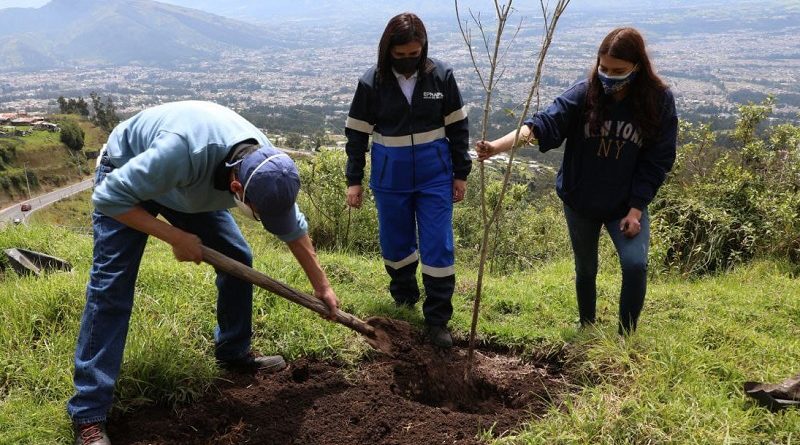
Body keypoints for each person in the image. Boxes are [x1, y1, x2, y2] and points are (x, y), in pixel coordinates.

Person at [69, 101, 340, 445]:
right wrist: (175, 236)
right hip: (127, 177)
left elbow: (295, 231)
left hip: (184, 187)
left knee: (237, 257)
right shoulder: (180, 152)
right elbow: (107, 198)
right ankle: (88, 414)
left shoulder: (268, 166)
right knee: (112, 288)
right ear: (237, 188)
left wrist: (323, 285)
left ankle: (233, 351)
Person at [477, 27, 677, 335]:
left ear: (638, 66)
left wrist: (637, 208)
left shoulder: (658, 101)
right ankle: (587, 328)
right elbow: (541, 125)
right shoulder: (585, 94)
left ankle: (625, 338)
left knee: (635, 265)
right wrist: (495, 147)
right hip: (580, 200)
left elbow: (658, 160)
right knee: (586, 269)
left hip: (625, 204)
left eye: (619, 71)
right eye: (604, 68)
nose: (609, 76)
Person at [344, 12, 471, 348]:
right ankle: (404, 303)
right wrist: (352, 180)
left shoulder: (441, 76)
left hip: (435, 177)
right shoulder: (371, 83)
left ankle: (438, 320)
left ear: (423, 48)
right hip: (390, 178)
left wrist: (461, 173)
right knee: (396, 245)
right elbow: (356, 136)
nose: (407, 61)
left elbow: (458, 128)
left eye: (413, 54)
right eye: (399, 56)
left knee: (438, 245)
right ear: (388, 51)